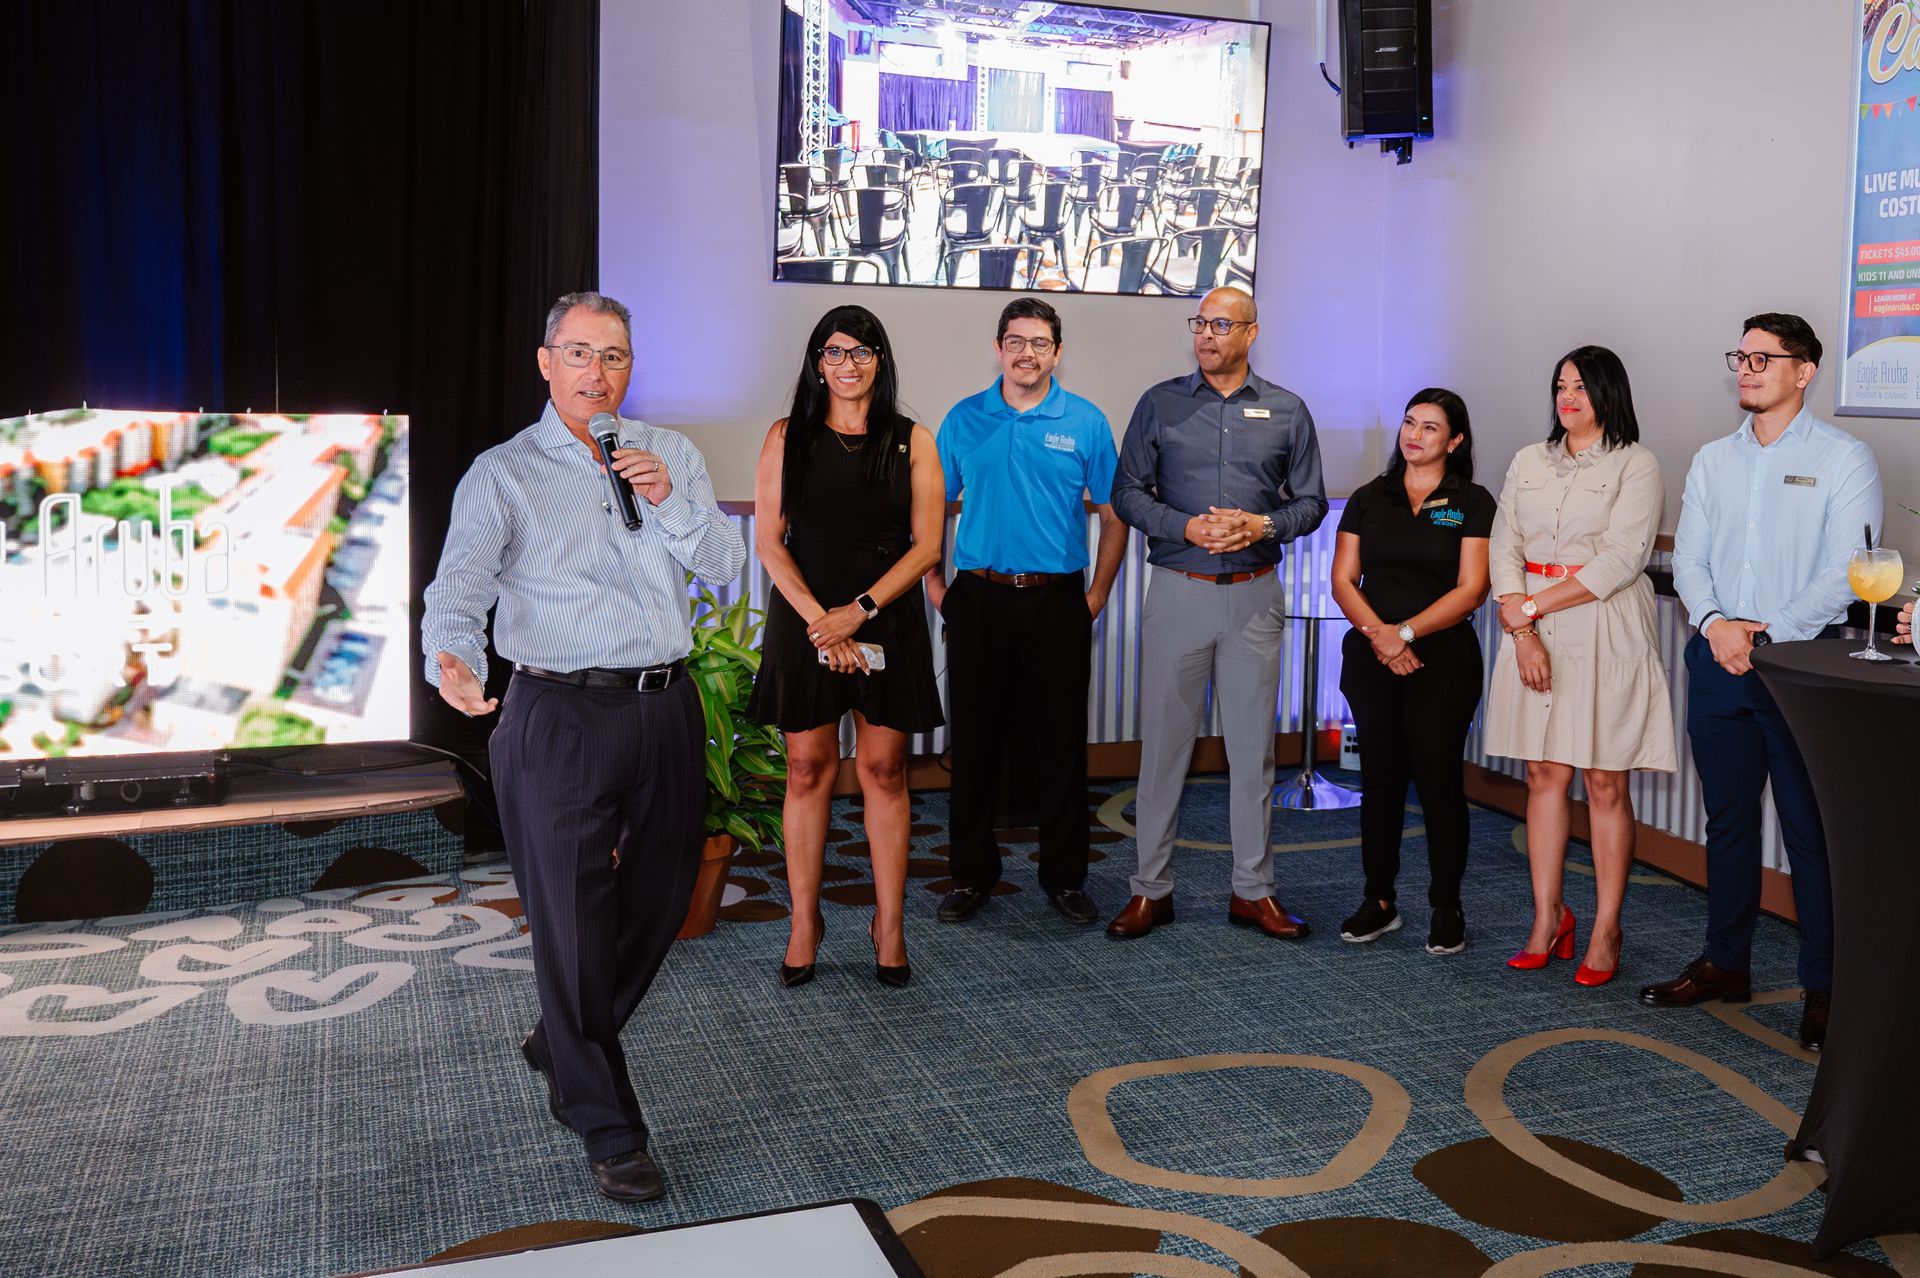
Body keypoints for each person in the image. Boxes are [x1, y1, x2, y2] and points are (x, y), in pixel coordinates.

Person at [421, 291, 746, 1204]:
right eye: (579, 354)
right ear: (545, 361)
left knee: (664, 895)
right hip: (557, 713)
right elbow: (459, 587)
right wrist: (451, 656)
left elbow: (724, 565)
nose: (597, 373)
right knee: (569, 917)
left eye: (614, 356)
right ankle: (607, 1124)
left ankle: (562, 1037)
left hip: (665, 704)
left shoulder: (668, 454)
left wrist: (670, 500)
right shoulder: (503, 473)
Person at [1640, 314, 1883, 1051]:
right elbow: (1690, 561)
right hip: (1720, 663)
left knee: (1810, 833)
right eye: (1740, 357)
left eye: (1762, 358)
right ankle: (1726, 963)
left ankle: (1826, 987)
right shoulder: (1714, 459)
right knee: (1728, 822)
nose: (1746, 369)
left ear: (1803, 371)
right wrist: (1718, 625)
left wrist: (1767, 636)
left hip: (1803, 671)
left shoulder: (1845, 459)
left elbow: (1846, 571)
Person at [1108, 285, 1328, 940]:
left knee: (1254, 753)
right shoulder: (1160, 403)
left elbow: (1311, 503)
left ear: (1251, 333)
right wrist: (1185, 526)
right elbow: (1126, 493)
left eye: (1221, 325)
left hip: (1255, 597)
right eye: (1199, 323)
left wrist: (1263, 525)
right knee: (1163, 750)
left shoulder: (1288, 410)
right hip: (1178, 590)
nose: (1206, 335)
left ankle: (1253, 891)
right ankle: (1150, 890)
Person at [747, 304, 944, 990]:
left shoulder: (913, 440)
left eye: (861, 351)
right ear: (817, 363)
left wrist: (857, 614)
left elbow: (927, 547)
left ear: (879, 361)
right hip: (806, 618)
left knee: (884, 772)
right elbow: (770, 543)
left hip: (884, 616)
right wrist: (821, 623)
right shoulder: (787, 436)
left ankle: (888, 925)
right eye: (834, 352)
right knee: (807, 769)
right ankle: (805, 923)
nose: (848, 364)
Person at [926, 298, 1127, 927]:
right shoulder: (964, 419)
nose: (1026, 354)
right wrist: (936, 585)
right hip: (978, 597)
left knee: (1060, 745)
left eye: (1040, 343)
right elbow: (931, 510)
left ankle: (1065, 878)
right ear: (998, 348)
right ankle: (971, 875)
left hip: (1056, 600)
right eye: (1015, 341)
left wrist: (1097, 595)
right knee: (974, 743)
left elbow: (1114, 515)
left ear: (1057, 353)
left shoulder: (1086, 422)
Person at [1484, 344, 1675, 987]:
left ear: (1608, 394)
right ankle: (1548, 918)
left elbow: (1622, 558)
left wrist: (1531, 606)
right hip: (1531, 625)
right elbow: (1504, 544)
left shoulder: (1636, 463)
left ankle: (1606, 927)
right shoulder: (1528, 460)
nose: (1568, 398)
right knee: (1543, 773)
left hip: (1605, 622)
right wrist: (1522, 627)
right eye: (1561, 386)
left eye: (1581, 388)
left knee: (1604, 781)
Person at [1330, 389, 1494, 955]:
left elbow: (1472, 589)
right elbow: (1343, 580)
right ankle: (1378, 900)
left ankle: (1447, 906)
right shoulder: (1368, 496)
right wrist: (1382, 637)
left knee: (1438, 782)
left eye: (1430, 427)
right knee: (1379, 781)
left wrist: (1403, 634)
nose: (1414, 435)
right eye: (1409, 423)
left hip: (1442, 660)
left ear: (1455, 441)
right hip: (1372, 656)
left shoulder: (1472, 501)